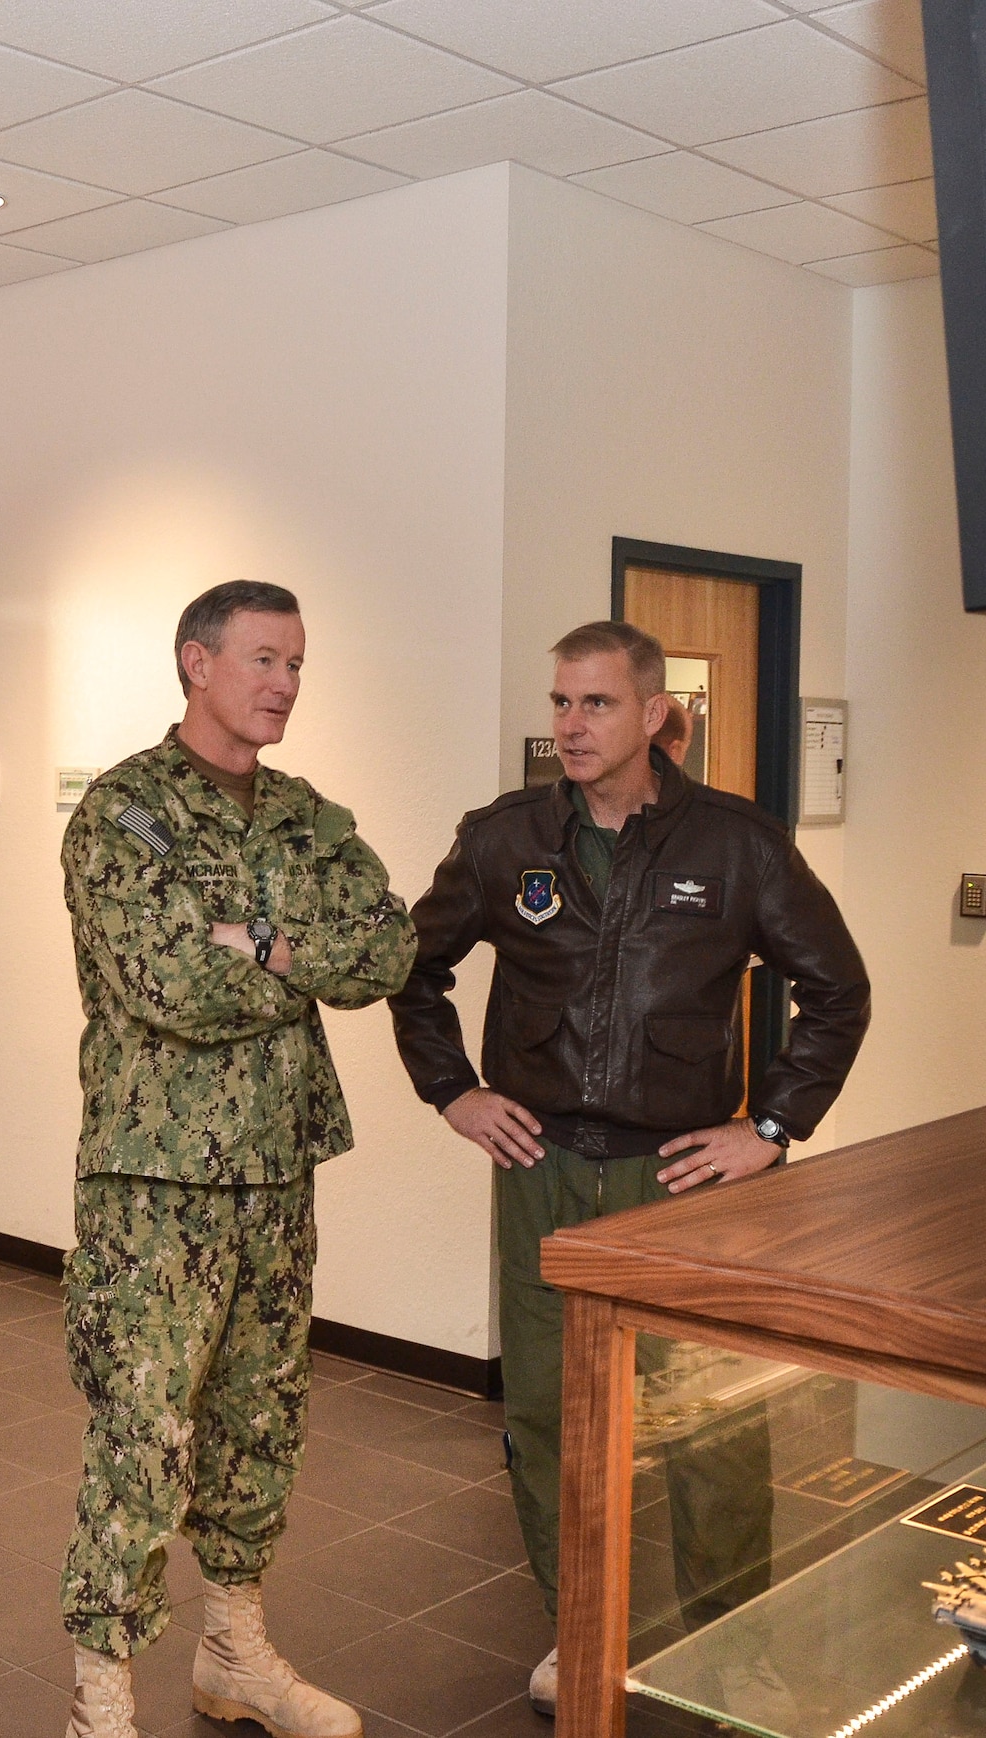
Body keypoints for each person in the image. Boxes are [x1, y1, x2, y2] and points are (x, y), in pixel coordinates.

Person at [388, 620, 870, 1716]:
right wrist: (452, 1090)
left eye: (595, 704)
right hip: (544, 1170)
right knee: (549, 1414)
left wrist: (772, 1125)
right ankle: (577, 1628)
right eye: (559, 702)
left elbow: (836, 987)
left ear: (652, 714)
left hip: (681, 1183)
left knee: (710, 1421)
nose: (568, 725)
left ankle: (731, 1642)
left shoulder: (736, 845)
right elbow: (411, 973)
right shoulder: (505, 839)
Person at [58, 580, 418, 1738]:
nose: (283, 685)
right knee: (142, 1431)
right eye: (263, 659)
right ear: (194, 662)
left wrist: (256, 938)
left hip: (276, 1167)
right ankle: (100, 1696)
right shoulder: (120, 813)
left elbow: (388, 947)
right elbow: (167, 987)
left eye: (297, 663)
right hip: (152, 1182)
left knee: (259, 1419)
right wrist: (294, 962)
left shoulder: (304, 817)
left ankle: (231, 1650)